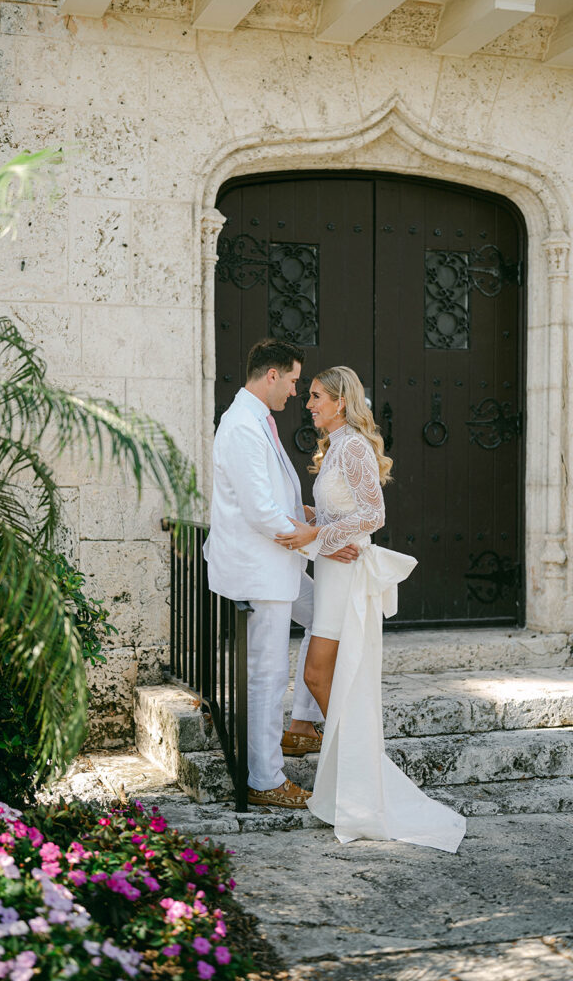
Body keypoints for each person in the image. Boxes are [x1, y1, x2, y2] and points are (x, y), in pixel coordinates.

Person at [275, 366, 466, 850]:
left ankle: (361, 766)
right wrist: (312, 522)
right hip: (334, 572)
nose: (309, 403)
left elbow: (373, 515)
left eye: (316, 396)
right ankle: (356, 770)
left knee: (319, 675)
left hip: (348, 579)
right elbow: (345, 515)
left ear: (341, 401)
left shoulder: (355, 446)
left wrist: (318, 535)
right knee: (326, 676)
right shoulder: (335, 447)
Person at [204, 340, 358, 809]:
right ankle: (265, 779)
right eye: (293, 380)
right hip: (261, 570)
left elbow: (278, 499)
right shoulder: (240, 427)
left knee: (325, 616)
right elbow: (260, 511)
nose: (296, 391)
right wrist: (321, 541)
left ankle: (300, 726)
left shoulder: (257, 420)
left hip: (280, 564)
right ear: (271, 375)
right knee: (268, 676)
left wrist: (312, 519)